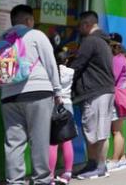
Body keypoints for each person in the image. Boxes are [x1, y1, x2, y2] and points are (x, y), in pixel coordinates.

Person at [0, 5, 62, 185]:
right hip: (38, 93)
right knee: (39, 140)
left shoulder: (2, 39)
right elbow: (50, 64)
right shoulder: (36, 35)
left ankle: (15, 181)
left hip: (9, 97)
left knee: (13, 142)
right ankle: (41, 180)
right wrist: (57, 91)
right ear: (29, 20)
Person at [69, 10, 116, 180]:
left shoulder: (90, 41)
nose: (78, 30)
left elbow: (78, 65)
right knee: (99, 130)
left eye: (80, 26)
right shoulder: (104, 42)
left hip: (95, 91)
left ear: (86, 25)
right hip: (105, 90)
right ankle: (93, 164)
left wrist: (63, 79)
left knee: (96, 131)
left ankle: (100, 167)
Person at [49, 44, 75, 184]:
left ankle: (51, 177)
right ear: (66, 60)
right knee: (67, 140)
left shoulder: (50, 71)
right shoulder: (70, 72)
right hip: (68, 106)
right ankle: (68, 172)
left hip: (54, 106)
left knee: (52, 142)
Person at [108, 34, 126, 172]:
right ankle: (122, 158)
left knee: (116, 131)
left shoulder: (117, 59)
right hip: (122, 97)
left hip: (117, 98)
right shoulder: (123, 58)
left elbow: (113, 78)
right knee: (118, 130)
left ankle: (115, 160)